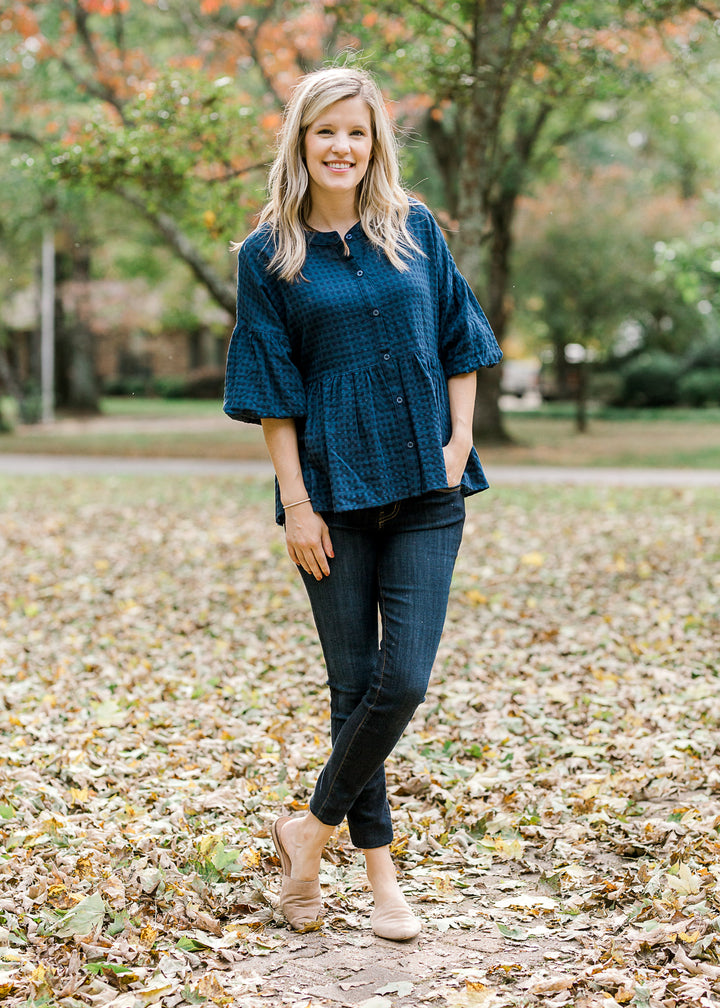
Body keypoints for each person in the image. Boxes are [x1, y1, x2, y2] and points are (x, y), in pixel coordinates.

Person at [224, 66, 502, 941]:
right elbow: (272, 392)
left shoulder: (415, 228)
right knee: (354, 689)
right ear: (301, 142)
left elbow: (460, 338)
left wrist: (458, 442)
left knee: (403, 680)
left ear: (376, 141)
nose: (342, 146)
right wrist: (296, 504)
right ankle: (382, 883)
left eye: (357, 131)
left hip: (428, 483)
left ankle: (306, 834)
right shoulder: (267, 255)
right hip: (332, 497)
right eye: (326, 131)